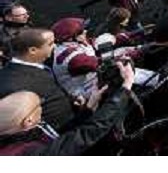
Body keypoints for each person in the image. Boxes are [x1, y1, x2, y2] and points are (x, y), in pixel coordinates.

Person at [0, 61, 134, 156]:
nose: (42, 109)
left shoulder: (16, 133)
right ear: (27, 121)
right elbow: (86, 135)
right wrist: (126, 87)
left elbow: (58, 136)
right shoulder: (30, 154)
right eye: (38, 107)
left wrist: (88, 108)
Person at [0, 28, 77, 131]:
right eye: (50, 44)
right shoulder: (11, 83)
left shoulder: (39, 65)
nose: (55, 46)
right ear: (33, 50)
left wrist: (71, 100)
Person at [51, 18, 99, 98]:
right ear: (69, 38)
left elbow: (93, 43)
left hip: (93, 87)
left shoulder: (72, 44)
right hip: (86, 98)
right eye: (80, 32)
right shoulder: (70, 57)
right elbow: (96, 63)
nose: (85, 31)